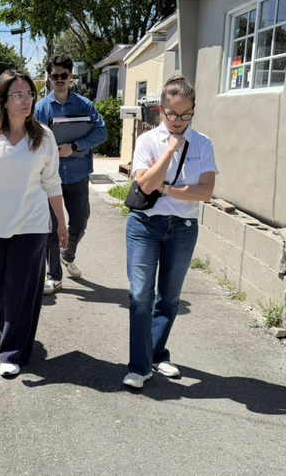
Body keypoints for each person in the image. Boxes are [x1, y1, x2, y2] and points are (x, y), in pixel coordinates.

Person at [0, 70, 69, 377]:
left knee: (20, 291)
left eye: (29, 95)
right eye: (18, 96)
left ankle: (12, 350)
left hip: (31, 226)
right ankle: (8, 327)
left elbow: (52, 182)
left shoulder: (44, 136)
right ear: (2, 101)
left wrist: (61, 222)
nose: (25, 101)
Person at [123, 75, 218, 389]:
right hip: (144, 226)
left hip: (183, 228)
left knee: (170, 299)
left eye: (186, 114)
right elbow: (145, 185)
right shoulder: (148, 141)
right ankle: (139, 366)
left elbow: (205, 192)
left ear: (193, 110)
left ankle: (156, 353)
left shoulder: (203, 144)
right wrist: (170, 150)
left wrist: (168, 188)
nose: (178, 120)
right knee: (140, 296)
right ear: (160, 111)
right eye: (172, 113)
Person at [34, 54, 108, 295]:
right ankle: (54, 275)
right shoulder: (41, 108)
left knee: (80, 221)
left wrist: (75, 147)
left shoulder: (84, 105)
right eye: (54, 76)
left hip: (77, 173)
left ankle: (69, 254)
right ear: (49, 77)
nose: (59, 80)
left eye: (64, 75)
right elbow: (31, 140)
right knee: (52, 227)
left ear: (71, 75)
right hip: (50, 177)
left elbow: (102, 133)